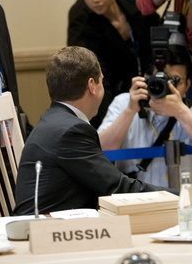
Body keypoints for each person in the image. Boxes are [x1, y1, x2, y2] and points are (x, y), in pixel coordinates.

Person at [13, 46, 169, 215]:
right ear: (92, 86)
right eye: (101, 81)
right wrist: (182, 195)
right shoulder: (72, 131)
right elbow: (117, 187)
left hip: (51, 226)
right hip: (46, 232)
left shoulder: (53, 121)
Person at [98, 46, 192, 187]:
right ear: (145, 78)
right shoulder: (124, 103)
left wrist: (181, 112)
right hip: (133, 199)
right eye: (160, 79)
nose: (167, 87)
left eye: (175, 80)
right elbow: (99, 152)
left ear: (188, 84)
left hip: (182, 201)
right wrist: (130, 111)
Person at [67, 0, 159, 128]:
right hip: (115, 100)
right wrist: (109, 121)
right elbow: (100, 78)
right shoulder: (87, 28)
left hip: (151, 92)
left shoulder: (137, 10)